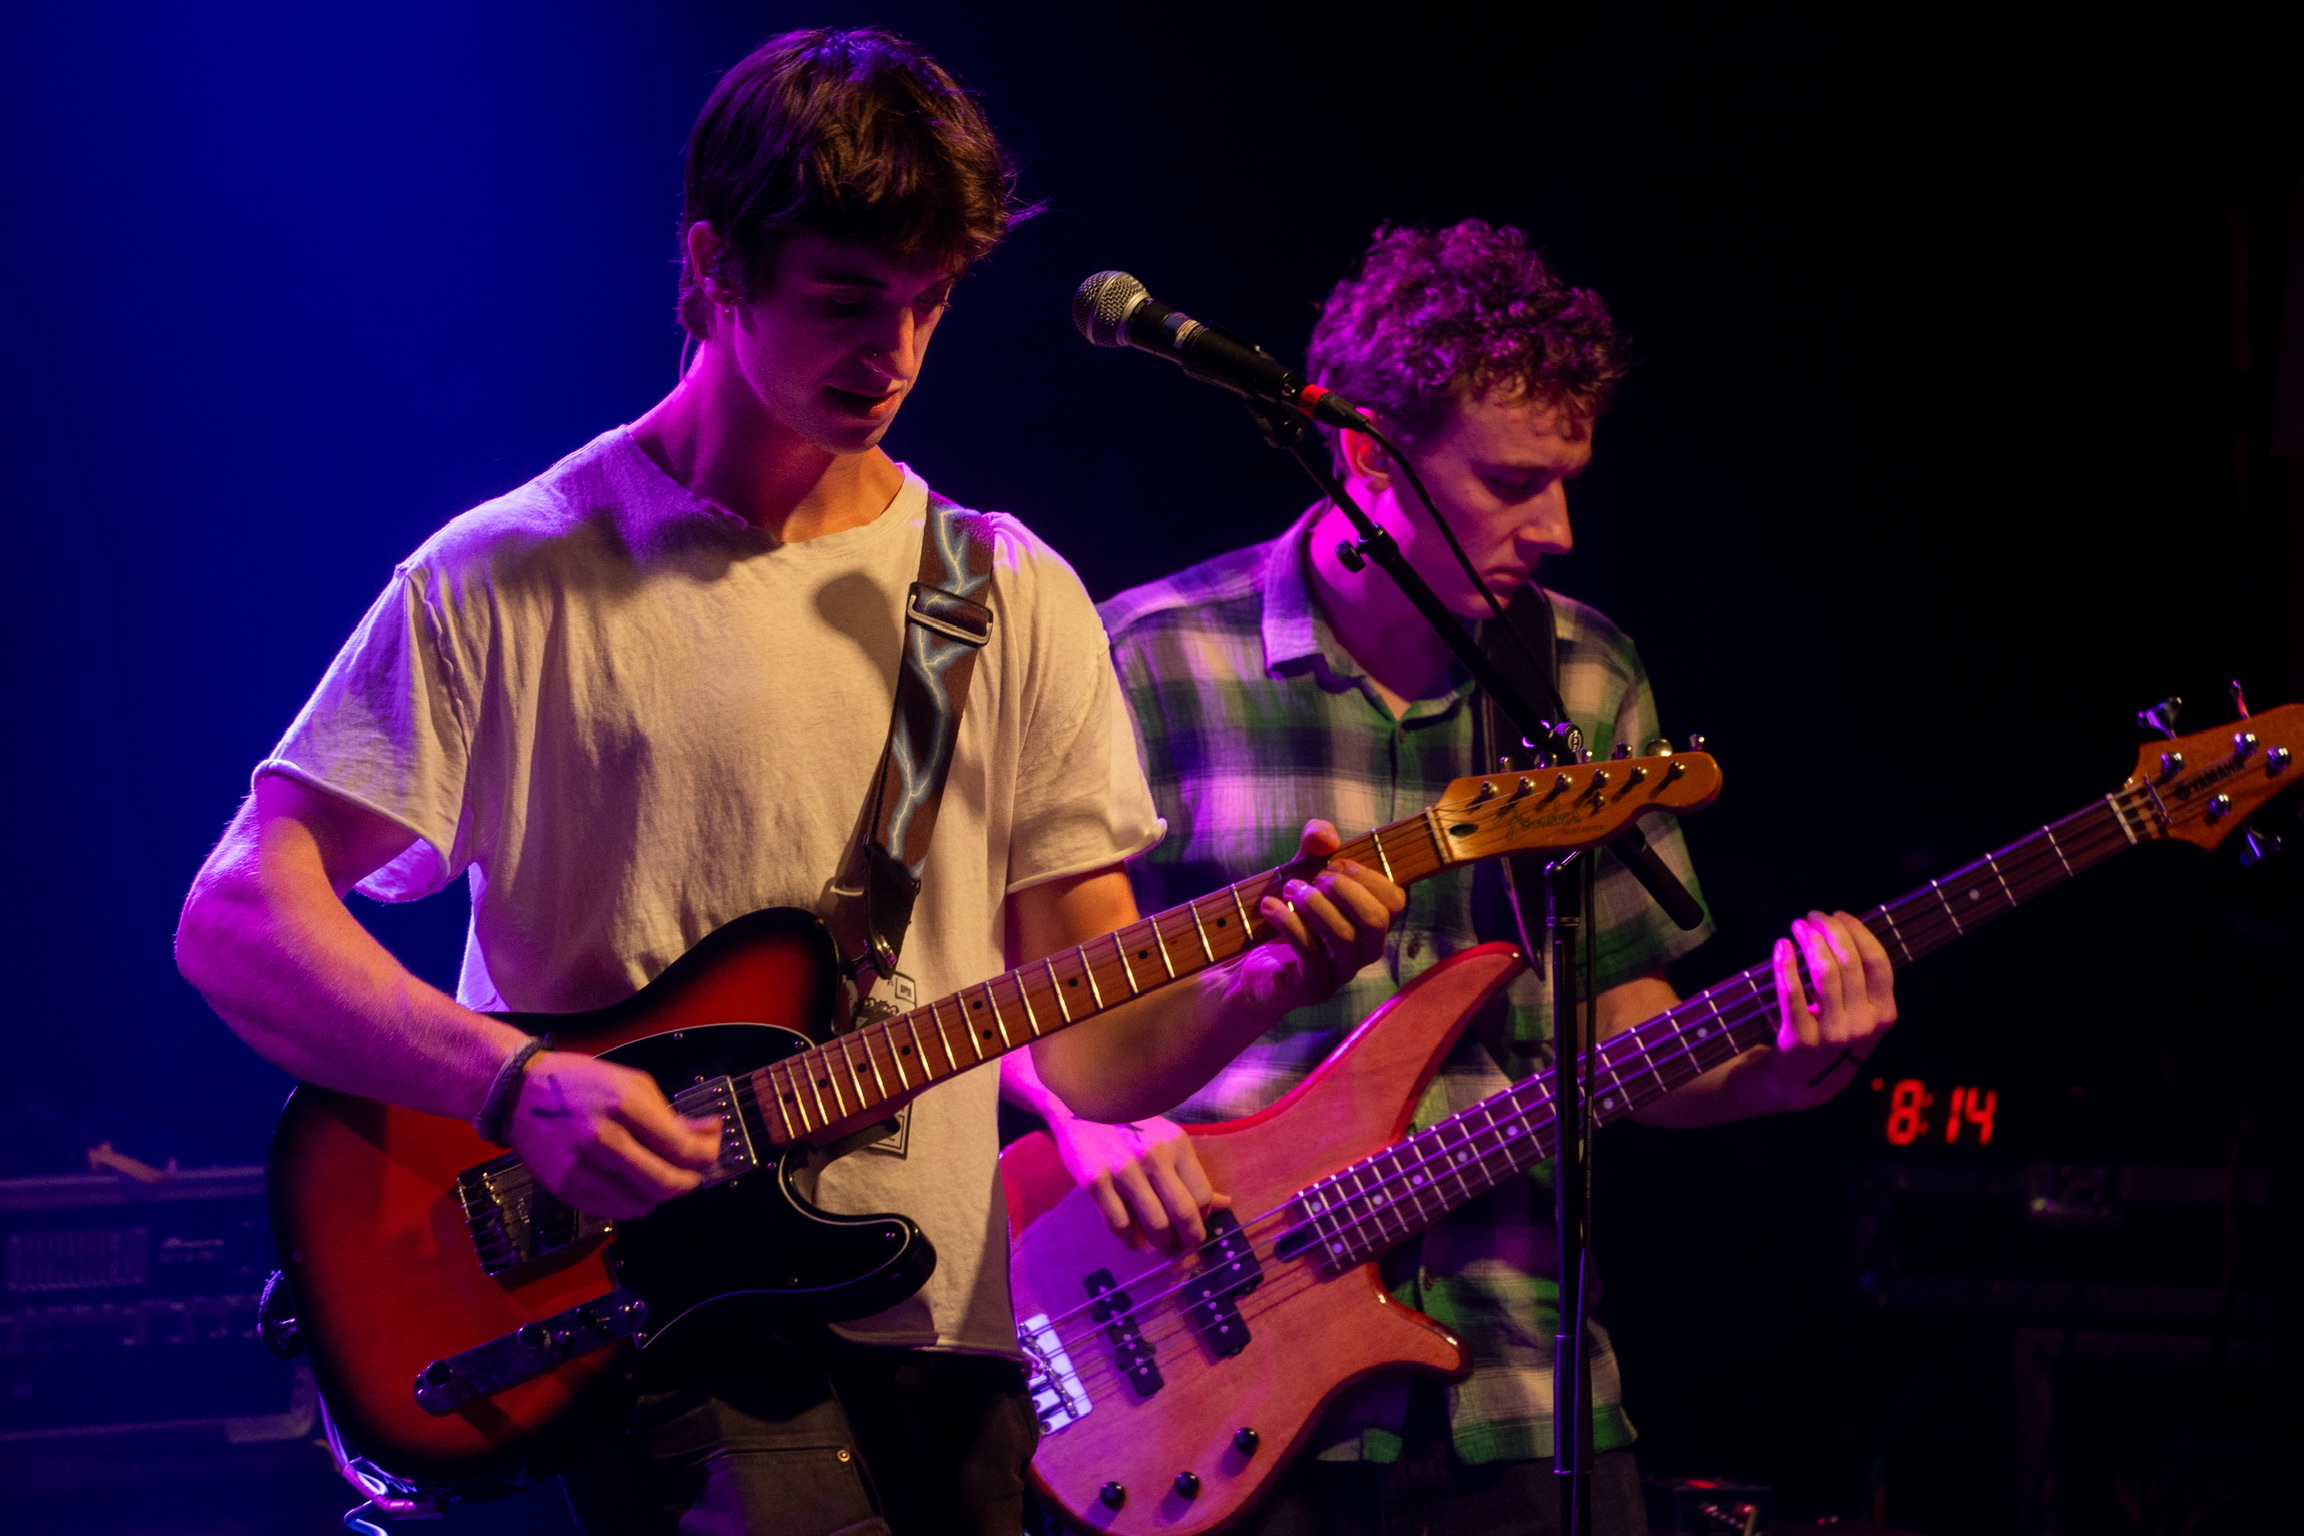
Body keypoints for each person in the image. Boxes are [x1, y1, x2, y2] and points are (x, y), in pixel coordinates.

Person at [173, 30, 1403, 1536]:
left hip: (949, 1327)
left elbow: (1090, 1057)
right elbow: (238, 913)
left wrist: (1269, 976)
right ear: (712, 266)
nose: (889, 352)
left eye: (927, 303)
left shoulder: (1006, 589)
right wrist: (508, 1082)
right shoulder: (512, 572)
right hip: (661, 1319)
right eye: (842, 296)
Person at [999, 219, 1900, 1534]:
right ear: (1367, 455)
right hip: (1195, 1375)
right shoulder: (1143, 663)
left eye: (1571, 478)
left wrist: (1778, 1065)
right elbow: (999, 1013)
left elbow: (1617, 1022)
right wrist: (1097, 1127)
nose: (1559, 528)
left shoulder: (1584, 681)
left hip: (1519, 1393)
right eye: (1512, 483)